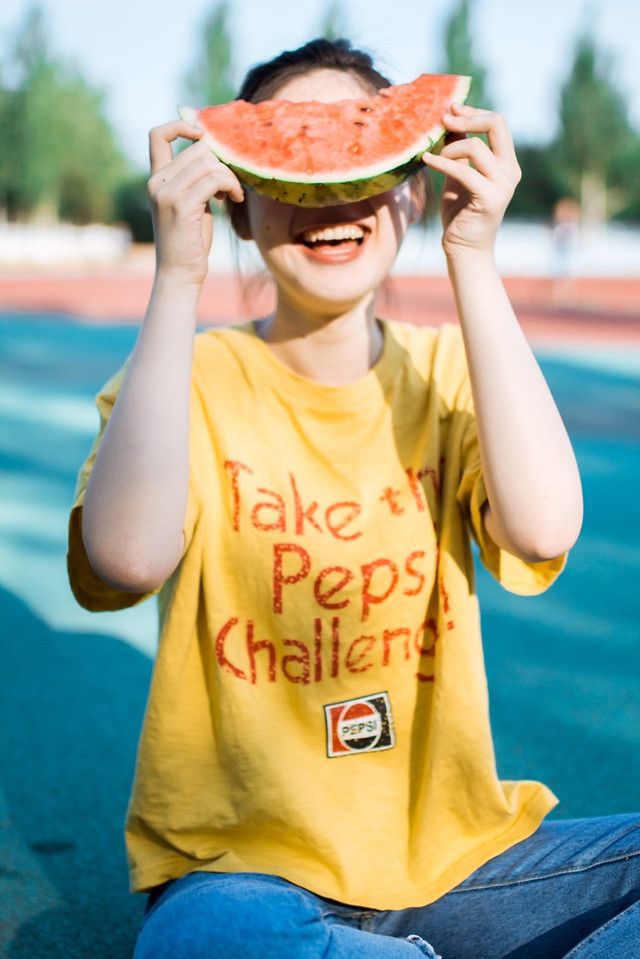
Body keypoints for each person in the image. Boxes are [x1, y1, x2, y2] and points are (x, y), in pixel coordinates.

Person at [67, 38, 639, 959]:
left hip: (460, 864)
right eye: (292, 172)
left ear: (410, 189)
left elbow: (543, 524)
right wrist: (177, 276)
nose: (328, 199)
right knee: (205, 938)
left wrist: (474, 259)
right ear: (238, 207)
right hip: (244, 870)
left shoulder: (452, 370)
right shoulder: (190, 378)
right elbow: (126, 555)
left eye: (358, 164)